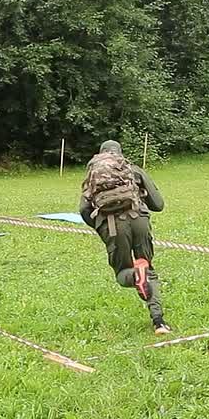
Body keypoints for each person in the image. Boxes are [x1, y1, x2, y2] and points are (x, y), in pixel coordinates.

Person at [79, 140, 171, 335]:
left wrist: (100, 228)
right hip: (139, 219)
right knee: (147, 267)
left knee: (123, 274)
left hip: (113, 226)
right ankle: (159, 322)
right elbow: (158, 204)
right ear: (120, 153)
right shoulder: (132, 169)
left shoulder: (93, 174)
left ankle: (136, 276)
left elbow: (84, 209)